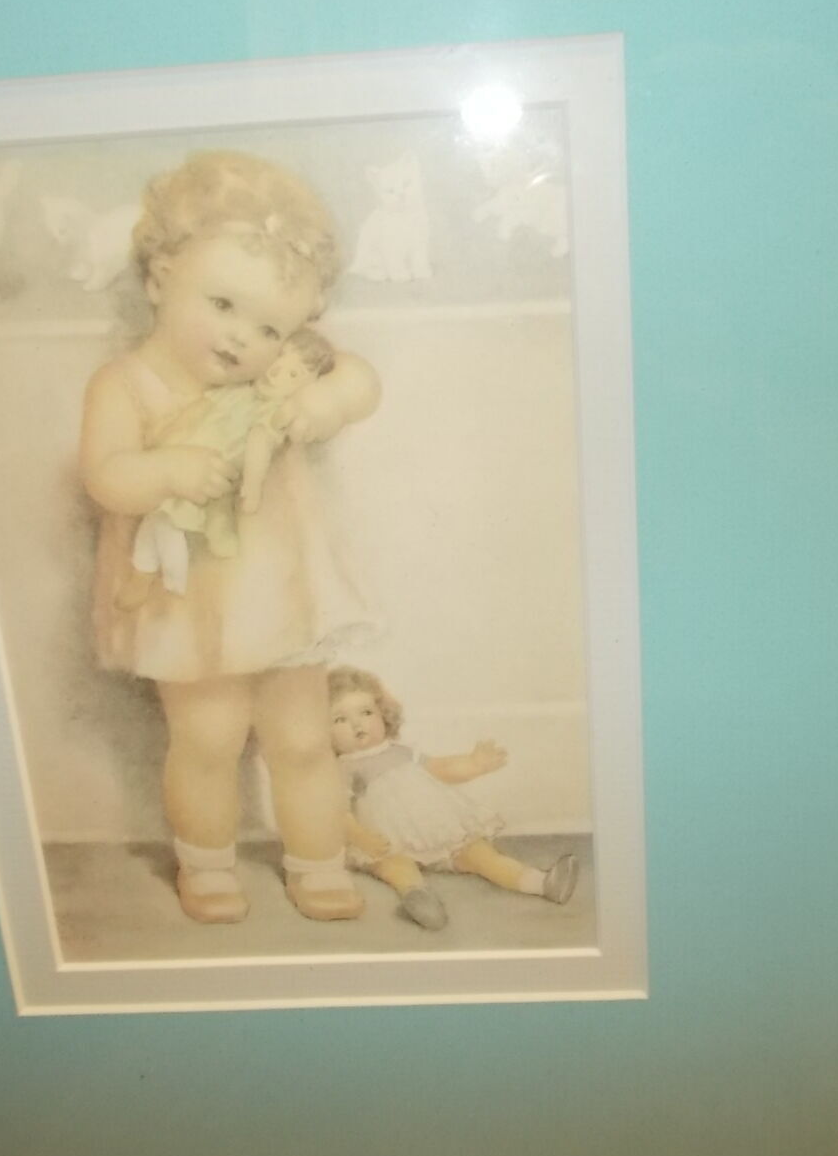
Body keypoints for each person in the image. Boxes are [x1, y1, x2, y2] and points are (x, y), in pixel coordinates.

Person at [79, 150, 379, 924]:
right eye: (222, 304)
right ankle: (207, 865)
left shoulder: (274, 379)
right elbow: (105, 475)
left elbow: (358, 378)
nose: (243, 338)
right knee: (207, 739)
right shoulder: (126, 382)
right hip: (188, 603)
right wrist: (164, 469)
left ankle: (317, 862)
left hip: (281, 595)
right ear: (160, 279)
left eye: (270, 327)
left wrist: (326, 405)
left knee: (303, 739)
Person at [328, 666, 578, 931]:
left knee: (480, 854)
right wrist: (360, 837)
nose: (357, 724)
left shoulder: (401, 752)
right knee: (395, 866)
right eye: (340, 719)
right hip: (387, 840)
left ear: (383, 714)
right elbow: (337, 810)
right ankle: (417, 896)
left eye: (366, 712)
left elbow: (441, 769)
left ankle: (540, 882)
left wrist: (474, 764)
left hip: (438, 831)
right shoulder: (343, 768)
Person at [114, 328, 336, 609]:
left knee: (167, 521)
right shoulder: (239, 391)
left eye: (293, 374)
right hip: (183, 457)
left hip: (209, 473)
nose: (277, 371)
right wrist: (168, 432)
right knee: (164, 517)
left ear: (305, 388)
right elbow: (199, 409)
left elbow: (258, 446)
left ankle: (170, 585)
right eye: (279, 357)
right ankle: (161, 576)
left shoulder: (271, 413)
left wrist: (252, 487)